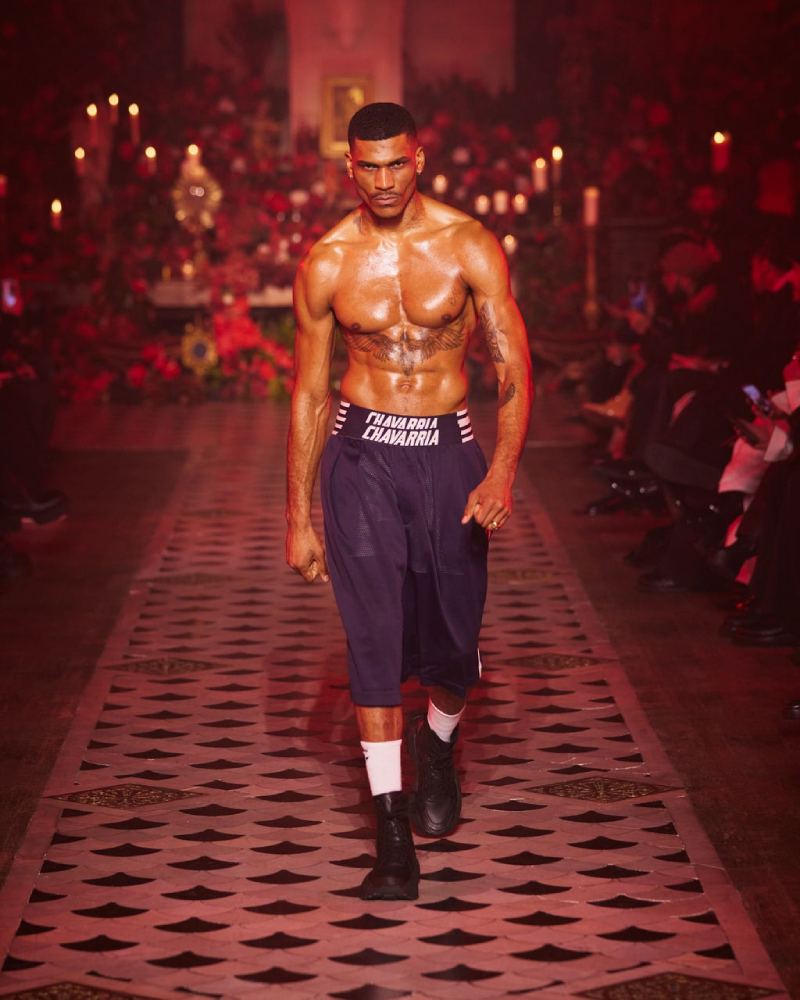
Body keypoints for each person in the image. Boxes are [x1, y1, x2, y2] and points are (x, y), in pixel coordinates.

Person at [285, 103, 533, 901]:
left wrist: (500, 473)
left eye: (397, 163)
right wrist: (297, 518)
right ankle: (392, 839)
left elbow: (513, 366)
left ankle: (439, 744)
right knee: (373, 640)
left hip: (447, 453)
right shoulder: (328, 261)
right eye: (370, 166)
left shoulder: (468, 244)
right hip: (362, 455)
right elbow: (308, 393)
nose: (384, 180)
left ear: (419, 159)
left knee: (455, 640)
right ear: (349, 168)